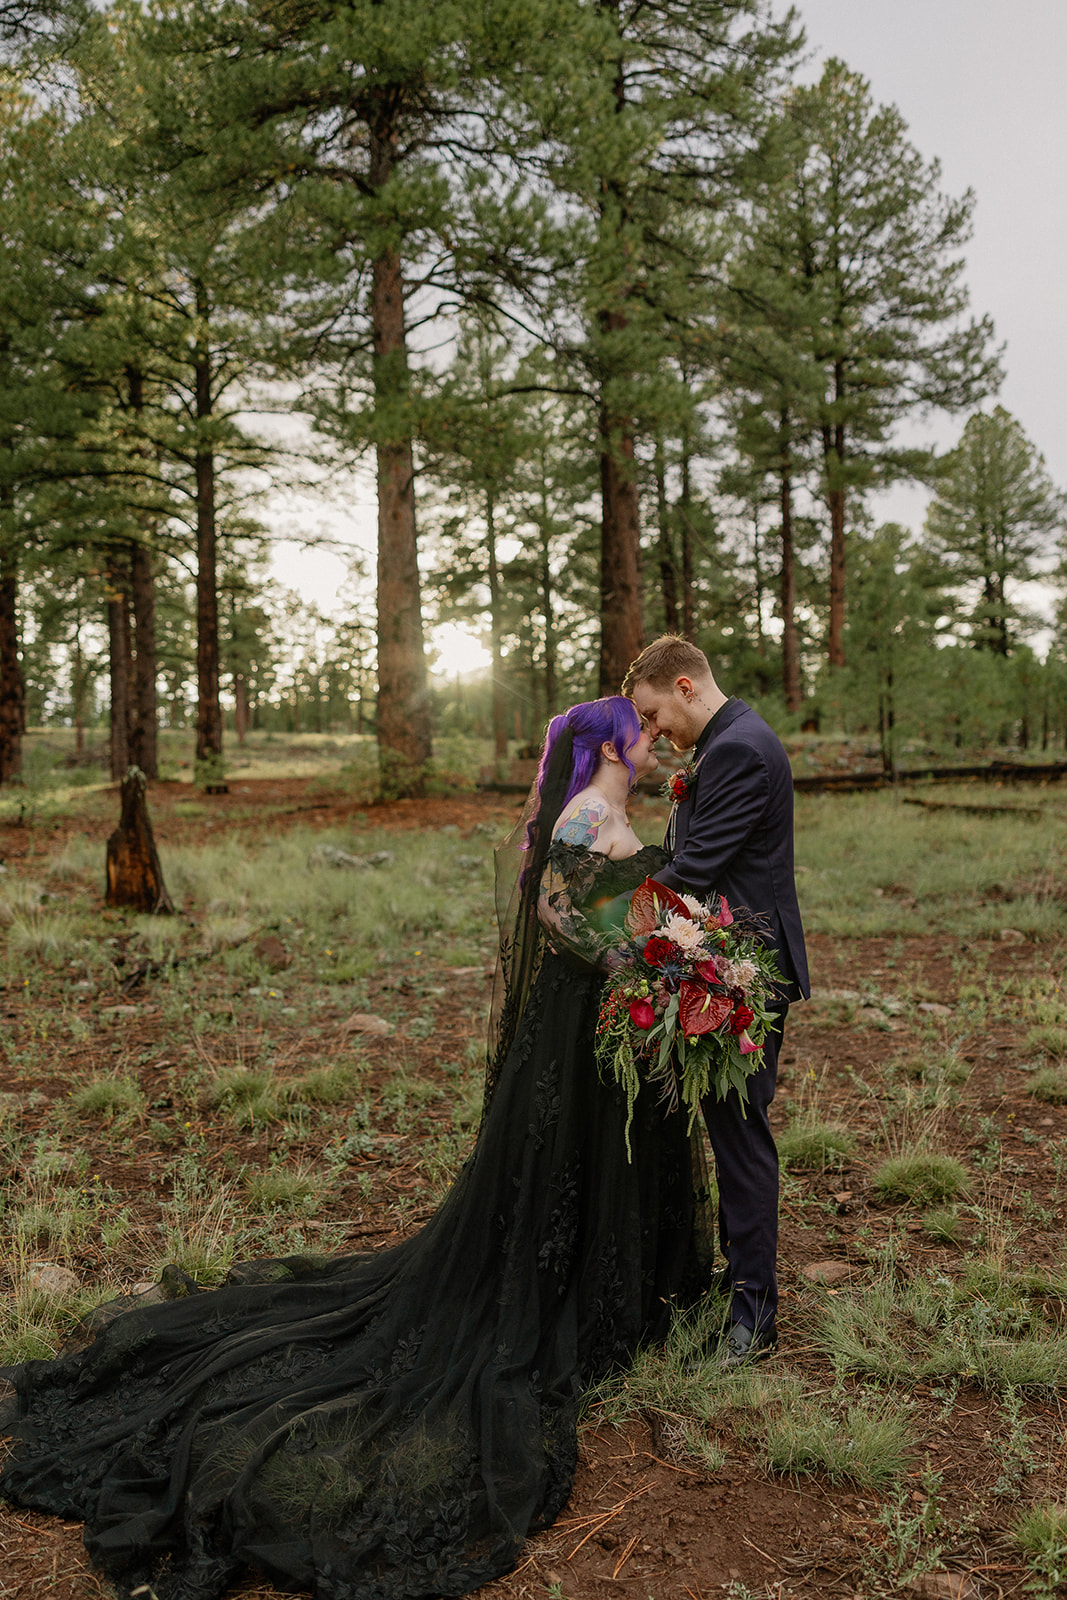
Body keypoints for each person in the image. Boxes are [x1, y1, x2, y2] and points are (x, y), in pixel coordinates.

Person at [0, 697, 712, 1600]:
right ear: (611, 742)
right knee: (550, 1169)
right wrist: (629, 964)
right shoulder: (584, 813)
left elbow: (612, 902)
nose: (653, 742)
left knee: (588, 1164)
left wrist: (657, 952)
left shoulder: (619, 813)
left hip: (601, 1021)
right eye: (642, 732)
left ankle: (599, 1287)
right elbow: (554, 910)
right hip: (572, 1023)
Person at [624, 636, 809, 1368]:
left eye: (653, 713)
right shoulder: (727, 740)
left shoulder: (738, 749)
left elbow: (695, 871)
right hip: (722, 963)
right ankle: (736, 1289)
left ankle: (753, 1319)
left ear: (684, 685)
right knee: (729, 1126)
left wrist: (609, 927)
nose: (652, 732)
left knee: (739, 1135)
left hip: (743, 975)